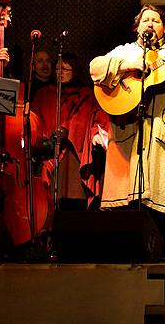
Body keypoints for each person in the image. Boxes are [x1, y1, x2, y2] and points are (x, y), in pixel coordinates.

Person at [90, 4, 165, 261]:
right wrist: (129, 65)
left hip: (163, 133)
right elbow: (95, 68)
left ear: (164, 28)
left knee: (162, 192)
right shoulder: (125, 51)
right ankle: (125, 246)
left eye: (155, 20)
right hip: (129, 133)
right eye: (145, 20)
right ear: (137, 26)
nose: (150, 24)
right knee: (127, 194)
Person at [32, 52, 109, 210]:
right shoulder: (44, 94)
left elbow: (96, 119)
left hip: (76, 154)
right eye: (58, 69)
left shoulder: (87, 94)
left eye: (66, 70)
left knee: (76, 203)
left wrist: (72, 131)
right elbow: (34, 122)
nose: (61, 73)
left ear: (76, 71)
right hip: (50, 154)